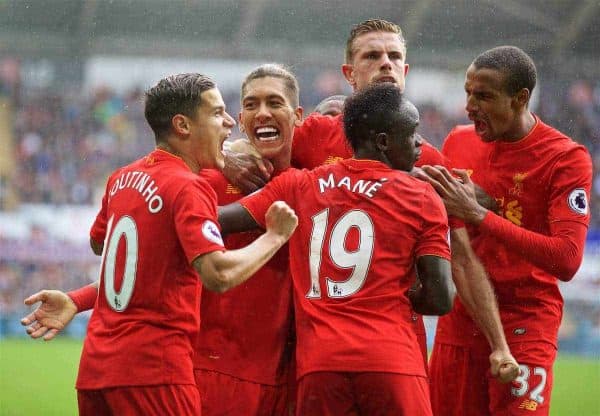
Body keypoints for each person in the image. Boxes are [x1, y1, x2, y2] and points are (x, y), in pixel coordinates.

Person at [223, 18, 518, 381]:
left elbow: (461, 259)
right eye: (372, 56)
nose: (385, 64)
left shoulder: (426, 160)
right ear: (349, 72)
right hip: (312, 343)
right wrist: (229, 153)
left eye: (394, 56)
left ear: (406, 70)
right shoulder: (316, 133)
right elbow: (262, 136)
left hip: (392, 347)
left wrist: (499, 343)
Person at [20, 73, 298, 416]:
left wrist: (77, 300)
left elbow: (104, 247)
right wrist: (275, 235)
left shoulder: (122, 178)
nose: (228, 123)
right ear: (182, 125)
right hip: (156, 372)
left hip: (96, 373)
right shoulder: (188, 186)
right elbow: (218, 275)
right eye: (216, 113)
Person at [220, 82, 454, 415]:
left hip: (320, 365)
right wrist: (396, 292)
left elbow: (217, 221)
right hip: (392, 361)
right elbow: (441, 298)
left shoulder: (300, 185)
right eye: (412, 133)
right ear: (384, 142)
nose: (419, 143)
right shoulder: (421, 196)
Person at [419, 46, 593, 415]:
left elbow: (567, 259)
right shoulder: (458, 141)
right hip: (462, 321)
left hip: (525, 320)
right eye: (467, 92)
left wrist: (481, 215)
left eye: (483, 96)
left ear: (520, 98)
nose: (469, 106)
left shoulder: (564, 158)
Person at [194, 64, 302, 416]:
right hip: (212, 372)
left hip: (289, 379)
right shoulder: (206, 181)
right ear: (240, 119)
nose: (263, 113)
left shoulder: (316, 186)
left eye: (275, 102)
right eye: (252, 105)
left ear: (297, 116)